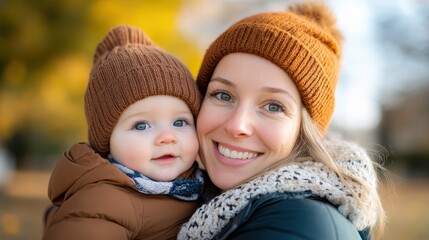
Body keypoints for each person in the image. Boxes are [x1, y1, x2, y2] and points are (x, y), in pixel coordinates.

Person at [178, 2, 385, 240]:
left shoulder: (301, 222)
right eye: (223, 95)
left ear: (304, 131)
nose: (237, 126)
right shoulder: (193, 201)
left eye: (273, 106)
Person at [43, 25, 203, 240]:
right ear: (107, 141)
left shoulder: (198, 185)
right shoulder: (104, 201)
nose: (167, 136)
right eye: (141, 125)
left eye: (180, 122)